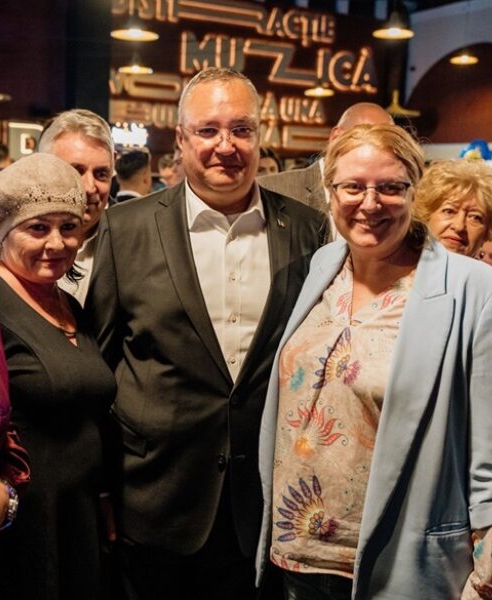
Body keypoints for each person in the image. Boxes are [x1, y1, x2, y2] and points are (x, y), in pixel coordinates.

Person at [256, 124, 492, 598]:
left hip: (391, 563)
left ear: (414, 191)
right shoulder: (324, 265)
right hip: (294, 554)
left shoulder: (478, 291)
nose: (370, 203)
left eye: (390, 187)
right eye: (353, 187)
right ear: (330, 191)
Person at [87, 67, 326, 599]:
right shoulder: (125, 229)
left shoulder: (306, 229)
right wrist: (99, 488)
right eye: (208, 130)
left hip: (265, 504)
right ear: (181, 138)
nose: (226, 145)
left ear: (260, 136)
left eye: (241, 129)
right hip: (154, 499)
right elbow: (99, 368)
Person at [0, 153, 116, 599]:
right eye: (38, 228)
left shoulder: (67, 303)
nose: (56, 243)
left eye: (68, 227)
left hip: (79, 512)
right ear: (4, 231)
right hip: (24, 519)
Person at [0, 109, 114, 306]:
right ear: (40, 164)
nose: (89, 187)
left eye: (101, 174)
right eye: (73, 171)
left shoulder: (128, 241)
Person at [415, 158, 492, 376]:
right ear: (427, 216)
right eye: (449, 211)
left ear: (488, 232)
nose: (459, 226)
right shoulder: (399, 274)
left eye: (475, 218)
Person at [257, 102, 393, 215]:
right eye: (370, 139)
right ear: (336, 137)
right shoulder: (269, 190)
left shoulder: (391, 201)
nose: (379, 153)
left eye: (389, 144)